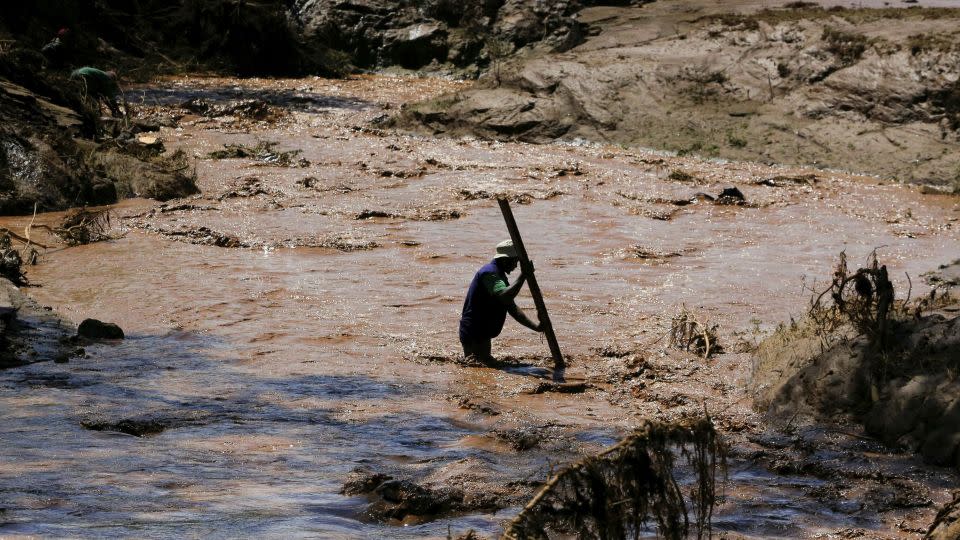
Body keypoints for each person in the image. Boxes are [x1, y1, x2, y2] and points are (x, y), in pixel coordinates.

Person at [459, 239, 543, 364]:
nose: (515, 266)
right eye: (514, 261)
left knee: (482, 364)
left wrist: (536, 327)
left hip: (481, 331)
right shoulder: (490, 273)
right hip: (475, 330)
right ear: (504, 260)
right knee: (478, 366)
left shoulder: (499, 276)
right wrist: (523, 276)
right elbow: (505, 297)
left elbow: (512, 308)